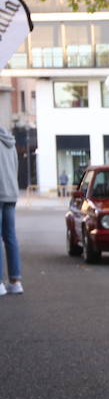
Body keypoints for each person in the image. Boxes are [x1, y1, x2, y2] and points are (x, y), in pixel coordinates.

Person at [0, 126, 21, 296]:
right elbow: (15, 168)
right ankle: (15, 282)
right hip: (11, 194)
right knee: (10, 237)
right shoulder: (10, 142)